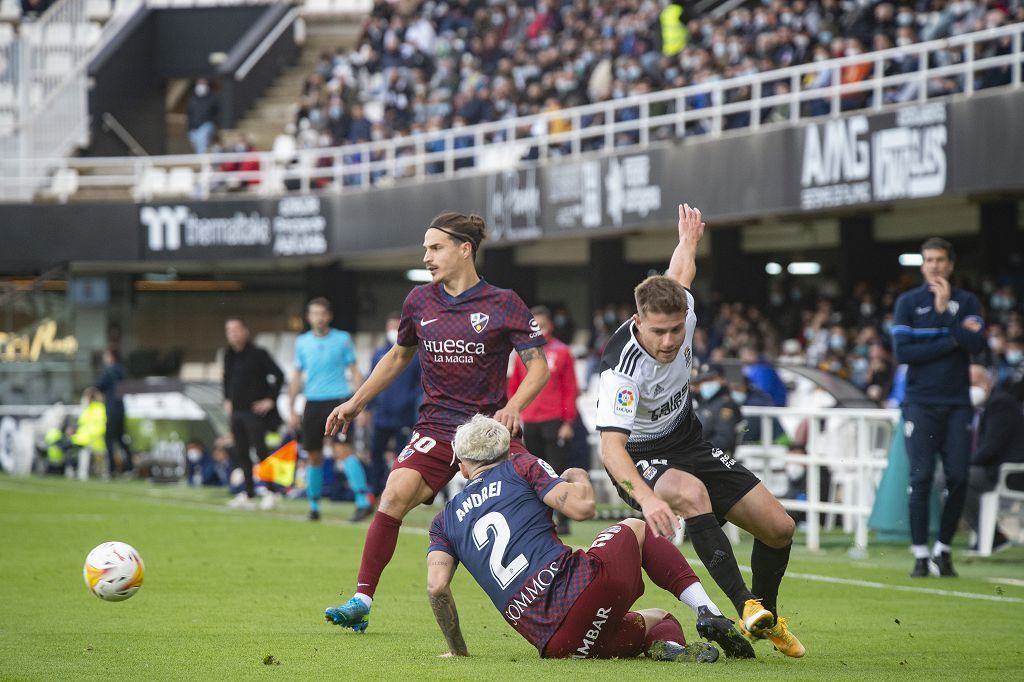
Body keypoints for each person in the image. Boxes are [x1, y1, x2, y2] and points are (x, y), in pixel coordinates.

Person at [323, 211, 550, 633]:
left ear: (465, 250)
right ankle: (361, 599)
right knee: (393, 494)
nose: (427, 256)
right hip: (436, 427)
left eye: (435, 247)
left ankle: (558, 589)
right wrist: (355, 402)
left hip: (486, 430)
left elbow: (538, 367)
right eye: (425, 248)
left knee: (537, 503)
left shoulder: (503, 303)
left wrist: (514, 405)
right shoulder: (419, 301)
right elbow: (397, 357)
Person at [597, 203, 804, 658]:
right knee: (692, 495)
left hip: (688, 440)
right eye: (658, 333)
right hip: (640, 456)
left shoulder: (682, 309)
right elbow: (611, 451)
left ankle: (763, 618)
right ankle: (743, 604)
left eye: (675, 330)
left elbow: (680, 273)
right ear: (637, 324)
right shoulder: (622, 372)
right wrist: (648, 499)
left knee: (779, 528)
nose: (670, 341)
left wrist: (689, 240)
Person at [426, 415, 739, 662]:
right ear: (506, 450)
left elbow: (437, 587)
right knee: (636, 525)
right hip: (580, 594)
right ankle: (706, 609)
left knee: (657, 619)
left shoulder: (443, 521)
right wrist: (580, 477)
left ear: (463, 468)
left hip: (557, 644)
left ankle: (666, 648)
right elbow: (583, 509)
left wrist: (457, 650)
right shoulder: (520, 466)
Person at [892, 237, 985, 577]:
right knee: (921, 477)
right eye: (928, 259)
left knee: (958, 476)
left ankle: (943, 550)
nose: (934, 265)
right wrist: (952, 341)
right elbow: (904, 354)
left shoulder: (967, 301)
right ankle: (919, 554)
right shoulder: (908, 302)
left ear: (951, 264)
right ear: (922, 264)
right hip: (920, 403)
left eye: (940, 260)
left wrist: (946, 313)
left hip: (958, 403)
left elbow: (976, 344)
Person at [288, 298, 363, 521]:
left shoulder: (342, 339)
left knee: (343, 450)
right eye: (314, 313)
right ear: (308, 317)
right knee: (313, 455)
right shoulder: (302, 342)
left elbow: (355, 370)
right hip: (312, 403)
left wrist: (360, 401)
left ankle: (362, 500)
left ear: (329, 316)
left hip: (338, 400)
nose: (318, 317)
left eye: (322, 313)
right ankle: (313, 506)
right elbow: (296, 376)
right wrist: (292, 409)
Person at [508, 305, 579, 535]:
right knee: (534, 471)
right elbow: (514, 386)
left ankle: (565, 519)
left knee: (558, 470)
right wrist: (514, 413)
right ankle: (541, 519)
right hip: (530, 419)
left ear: (548, 325)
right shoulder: (521, 354)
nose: (535, 329)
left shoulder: (562, 351)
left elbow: (570, 387)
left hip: (554, 420)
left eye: (538, 324)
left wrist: (569, 421)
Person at [223, 317, 285, 511]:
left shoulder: (258, 354)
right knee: (241, 453)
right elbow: (226, 379)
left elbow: (279, 375)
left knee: (261, 452)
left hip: (254, 412)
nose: (233, 334)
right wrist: (227, 399)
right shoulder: (228, 355)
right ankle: (248, 494)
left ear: (245, 331)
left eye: (236, 329)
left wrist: (270, 399)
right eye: (229, 330)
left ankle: (271, 492)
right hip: (237, 412)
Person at [963, 366, 1024, 553]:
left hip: (1009, 472)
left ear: (988, 381)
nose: (972, 388)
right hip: (993, 468)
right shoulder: (980, 406)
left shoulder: (1000, 404)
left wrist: (965, 463)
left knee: (960, 477)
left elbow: (991, 447)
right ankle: (988, 534)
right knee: (953, 476)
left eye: (975, 383)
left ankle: (992, 536)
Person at [363, 312, 422, 500]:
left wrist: (408, 402)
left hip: (404, 416)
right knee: (375, 453)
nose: (393, 331)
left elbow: (420, 385)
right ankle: (375, 490)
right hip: (382, 415)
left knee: (402, 458)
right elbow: (371, 381)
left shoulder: (416, 355)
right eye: (390, 327)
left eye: (397, 327)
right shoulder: (379, 354)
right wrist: (367, 407)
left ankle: (398, 494)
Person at [96, 347, 133, 477]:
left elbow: (99, 384)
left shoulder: (110, 370)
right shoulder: (122, 370)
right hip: (121, 409)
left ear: (111, 356)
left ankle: (111, 469)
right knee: (121, 439)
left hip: (112, 409)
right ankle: (129, 467)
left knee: (109, 440)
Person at [187, 78, 219, 154]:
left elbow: (217, 113)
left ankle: (202, 159)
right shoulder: (192, 99)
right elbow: (189, 114)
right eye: (199, 83)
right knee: (196, 142)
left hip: (207, 125)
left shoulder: (212, 99)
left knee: (202, 137)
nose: (201, 86)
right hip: (193, 128)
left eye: (203, 84)